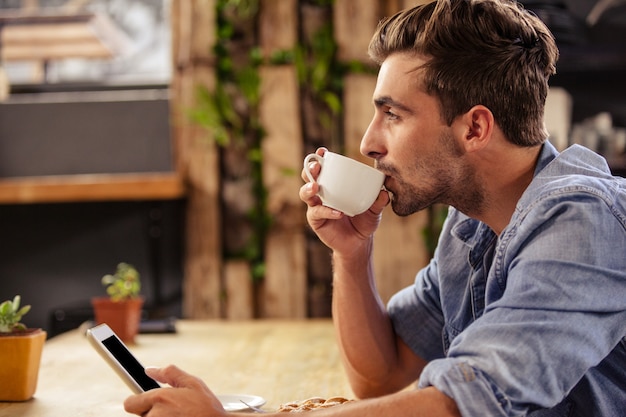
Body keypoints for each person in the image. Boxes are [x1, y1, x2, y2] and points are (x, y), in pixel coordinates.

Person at [123, 0, 626, 416]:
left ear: (475, 128)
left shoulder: (581, 220)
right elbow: (384, 377)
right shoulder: (471, 225)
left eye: (393, 114)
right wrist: (352, 251)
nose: (368, 142)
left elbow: (462, 404)